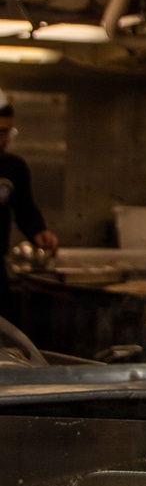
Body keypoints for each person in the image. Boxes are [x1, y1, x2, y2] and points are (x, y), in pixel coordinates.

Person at [0, 94, 57, 322]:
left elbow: (25, 208)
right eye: (1, 132)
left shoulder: (13, 167)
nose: (5, 139)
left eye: (8, 132)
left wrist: (38, 232)